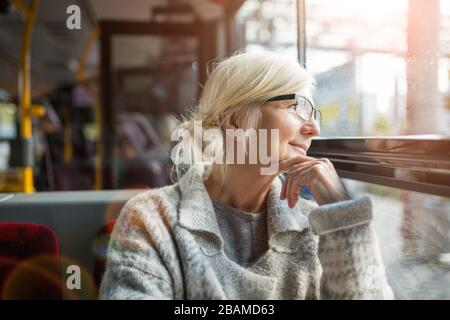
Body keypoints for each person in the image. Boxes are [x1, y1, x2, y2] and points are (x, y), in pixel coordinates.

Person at [99, 51, 394, 299]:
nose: (314, 129)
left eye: (314, 114)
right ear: (237, 121)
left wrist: (341, 214)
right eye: (296, 107)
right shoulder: (150, 220)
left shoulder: (313, 225)